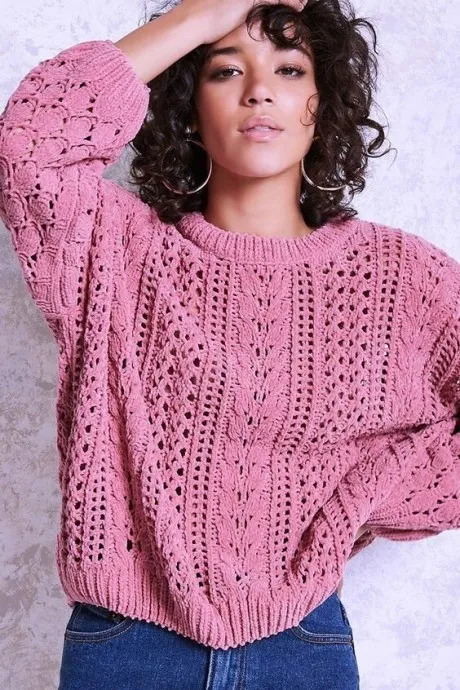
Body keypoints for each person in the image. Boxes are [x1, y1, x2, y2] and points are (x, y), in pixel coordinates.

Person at [0, 0, 458, 688]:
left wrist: (368, 492)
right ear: (189, 109)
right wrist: (199, 17)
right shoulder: (111, 249)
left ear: (323, 105)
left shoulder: (399, 278)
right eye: (225, 70)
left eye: (290, 69)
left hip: (302, 646)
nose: (259, 90)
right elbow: (30, 143)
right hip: (125, 647)